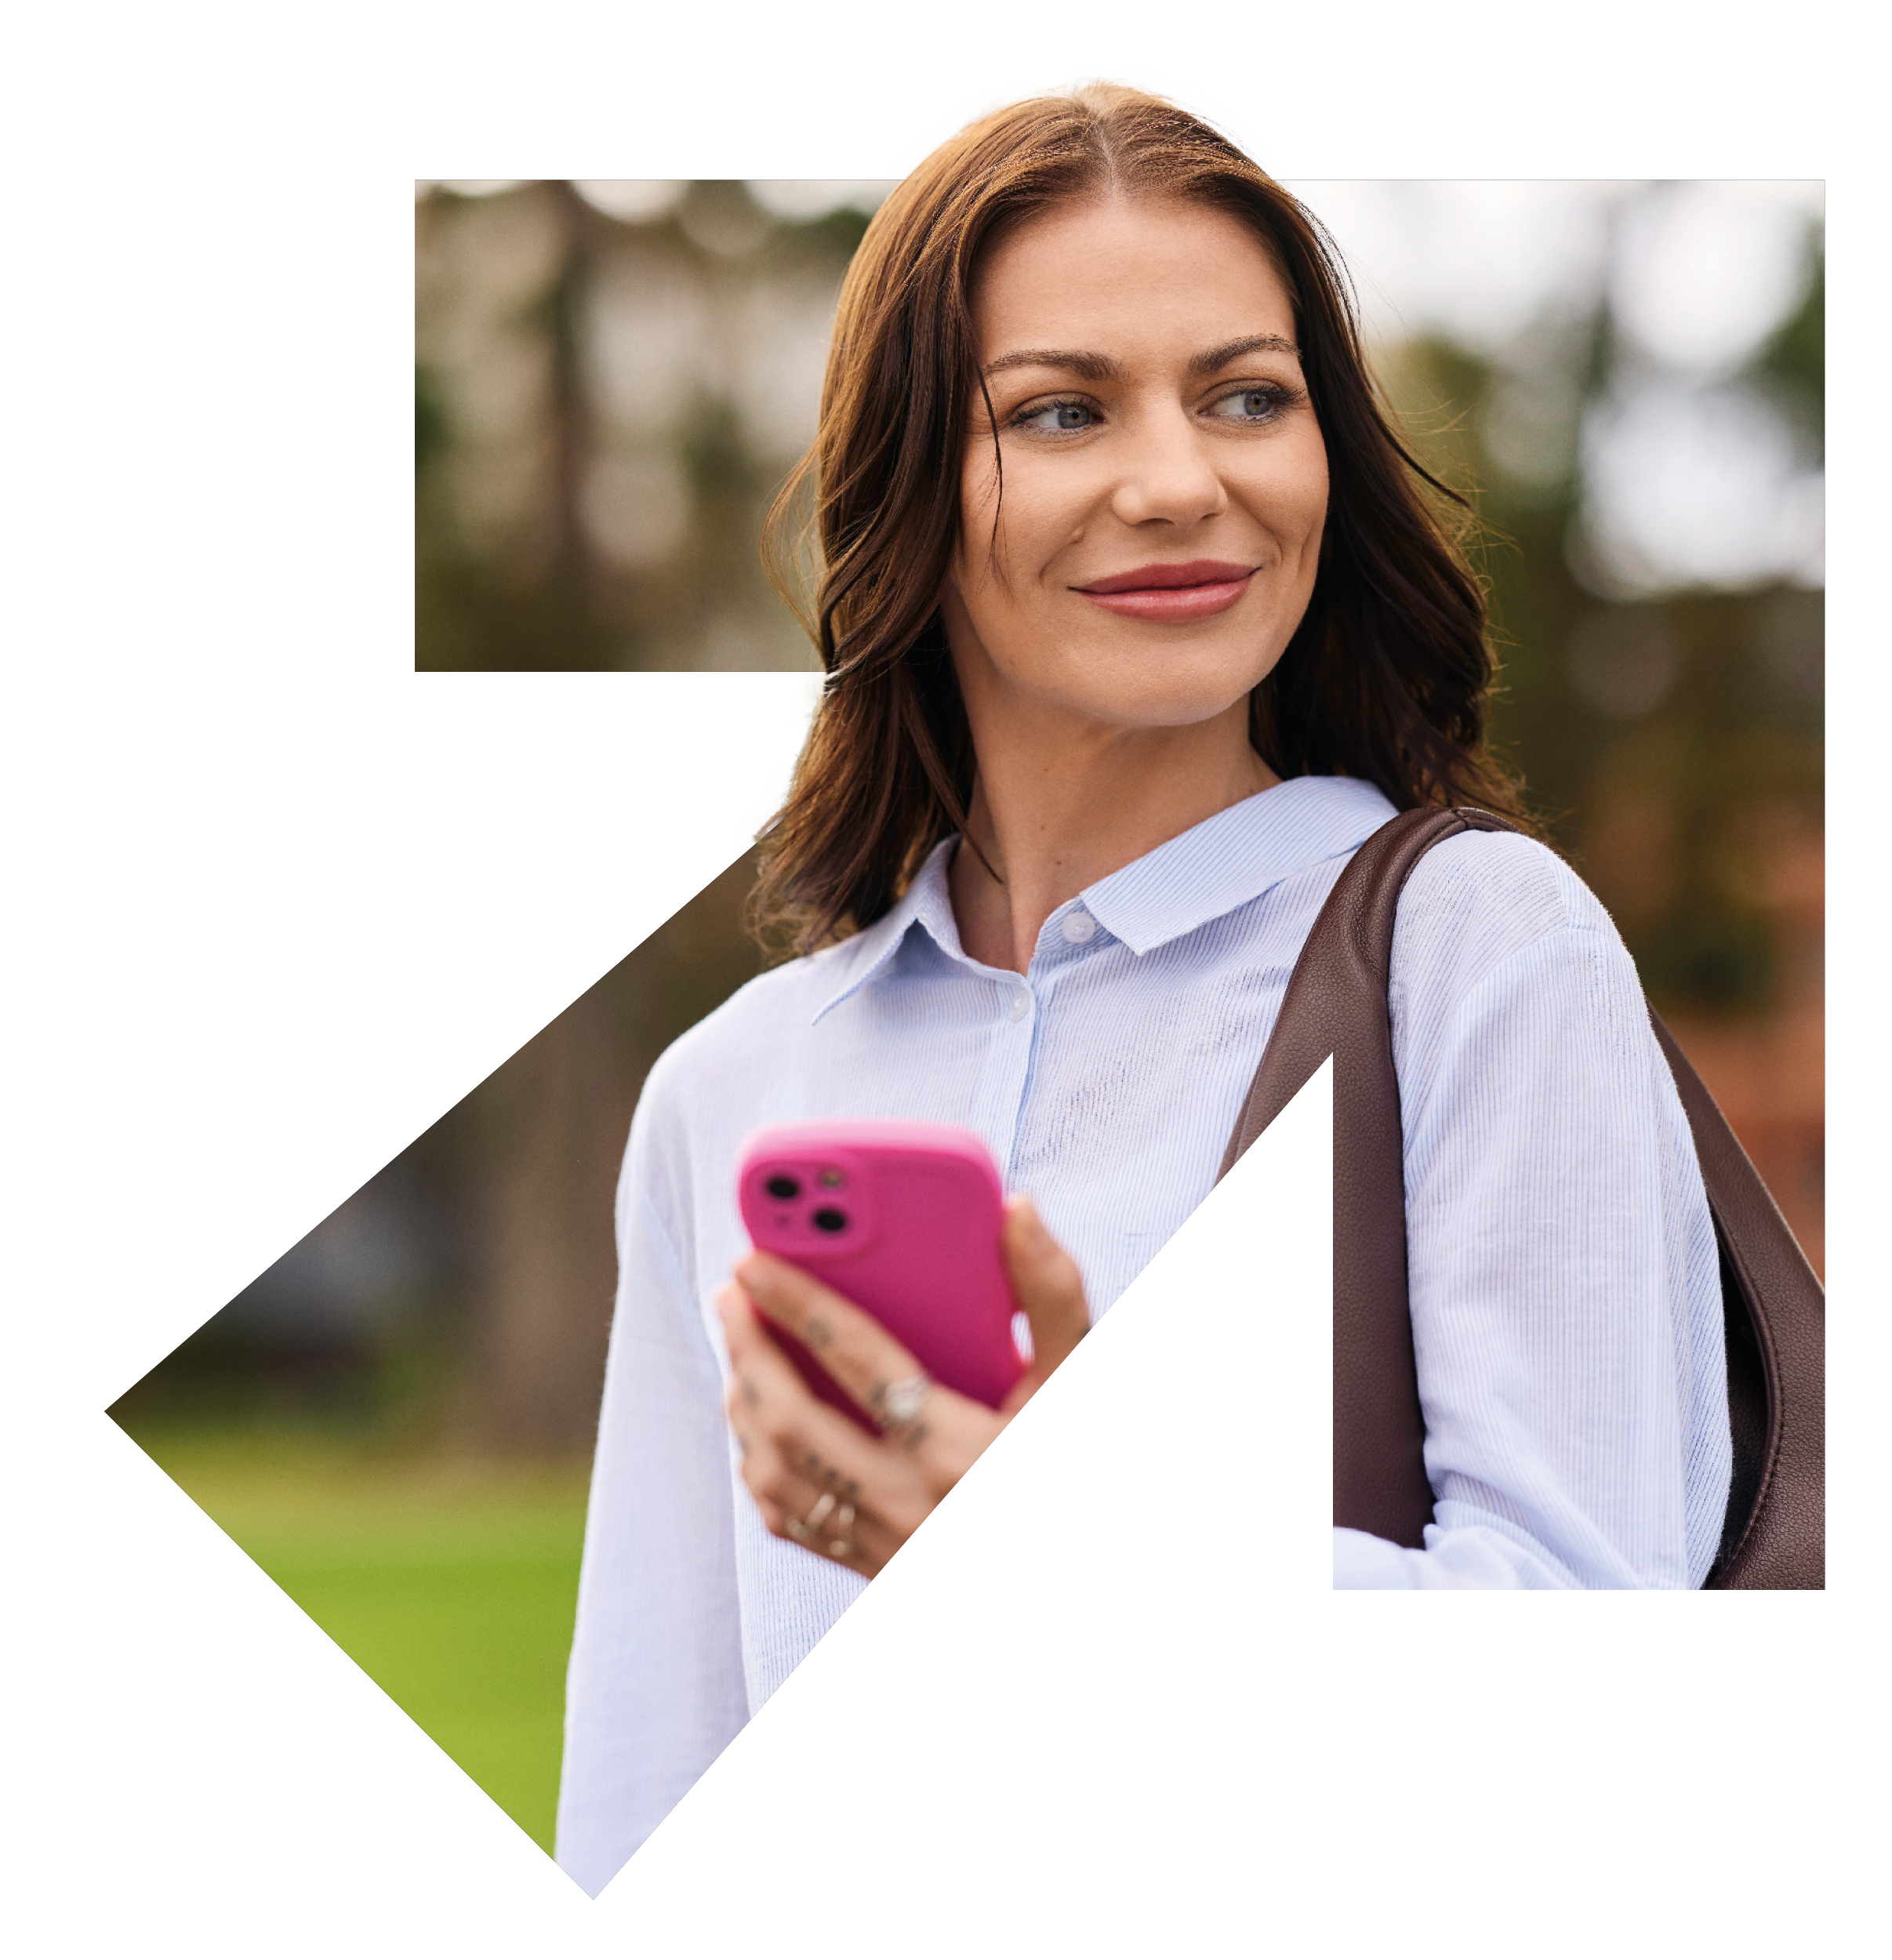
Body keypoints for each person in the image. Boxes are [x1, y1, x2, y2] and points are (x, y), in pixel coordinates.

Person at [553, 80, 1730, 1896]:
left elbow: (1596, 1692)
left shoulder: (1478, 950)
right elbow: (653, 1806)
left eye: (1246, 395)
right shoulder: (733, 1088)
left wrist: (1087, 1554)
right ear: (909, 494)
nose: (1180, 478)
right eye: (1059, 410)